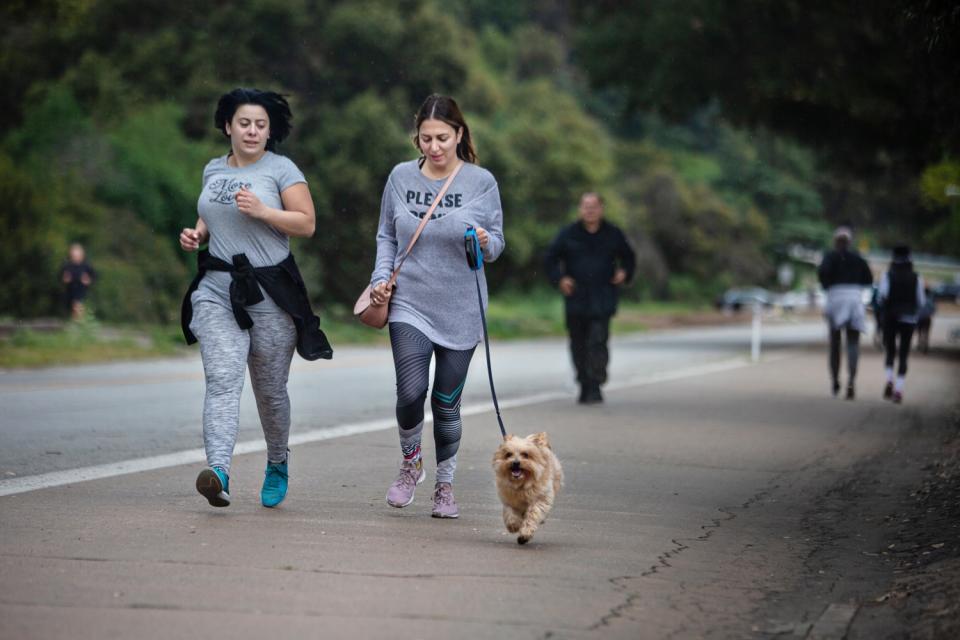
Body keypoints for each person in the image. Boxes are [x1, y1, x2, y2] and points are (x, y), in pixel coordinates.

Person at [179, 88, 331, 509]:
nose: (252, 131)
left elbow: (307, 223)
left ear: (270, 131)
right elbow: (210, 213)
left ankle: (278, 462)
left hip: (270, 291)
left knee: (269, 392)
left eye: (260, 125)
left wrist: (265, 212)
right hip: (218, 289)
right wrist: (198, 234)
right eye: (244, 123)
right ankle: (219, 471)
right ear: (228, 126)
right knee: (224, 377)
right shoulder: (214, 169)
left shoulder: (282, 170)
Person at [368, 94, 505, 518]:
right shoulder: (399, 178)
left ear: (459, 134)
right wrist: (379, 278)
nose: (434, 147)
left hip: (462, 307)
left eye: (443, 137)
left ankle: (445, 485)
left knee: (446, 402)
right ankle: (411, 464)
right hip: (410, 300)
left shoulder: (481, 182)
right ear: (417, 138)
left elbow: (498, 244)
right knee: (410, 392)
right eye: (426, 138)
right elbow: (387, 237)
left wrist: (485, 242)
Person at [544, 192, 636, 404]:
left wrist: (624, 272)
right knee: (578, 343)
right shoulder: (568, 234)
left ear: (601, 209)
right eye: (585, 206)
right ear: (580, 209)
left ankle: (595, 381)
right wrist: (560, 279)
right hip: (576, 296)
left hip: (603, 296)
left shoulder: (613, 233)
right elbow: (550, 259)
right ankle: (584, 382)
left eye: (593, 206)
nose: (589, 210)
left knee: (598, 340)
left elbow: (629, 258)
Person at [817, 225, 873, 399]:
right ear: (850, 242)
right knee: (853, 343)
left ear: (836, 241)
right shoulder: (858, 258)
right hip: (854, 298)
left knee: (835, 343)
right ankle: (851, 381)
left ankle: (835, 380)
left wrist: (830, 285)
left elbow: (822, 276)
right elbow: (868, 279)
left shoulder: (829, 257)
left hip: (835, 298)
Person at [877, 246, 926, 403]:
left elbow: (881, 297)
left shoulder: (887, 275)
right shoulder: (916, 277)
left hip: (891, 317)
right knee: (904, 354)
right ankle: (898, 389)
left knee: (890, 350)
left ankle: (889, 378)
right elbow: (921, 301)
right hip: (909, 319)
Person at [61, 243, 95, 321]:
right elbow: (62, 277)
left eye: (77, 255)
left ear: (81, 255)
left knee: (78, 305)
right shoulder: (67, 265)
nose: (75, 257)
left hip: (81, 289)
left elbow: (94, 276)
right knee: (74, 307)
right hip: (70, 290)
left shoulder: (86, 265)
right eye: (74, 255)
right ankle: (78, 323)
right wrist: (65, 279)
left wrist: (88, 280)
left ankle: (79, 322)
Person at [916, 287, 935, 353]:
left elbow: (916, 309)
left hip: (919, 318)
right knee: (926, 333)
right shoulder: (930, 300)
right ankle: (925, 345)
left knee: (919, 332)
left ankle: (919, 344)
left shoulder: (919, 299)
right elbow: (933, 310)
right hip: (927, 318)